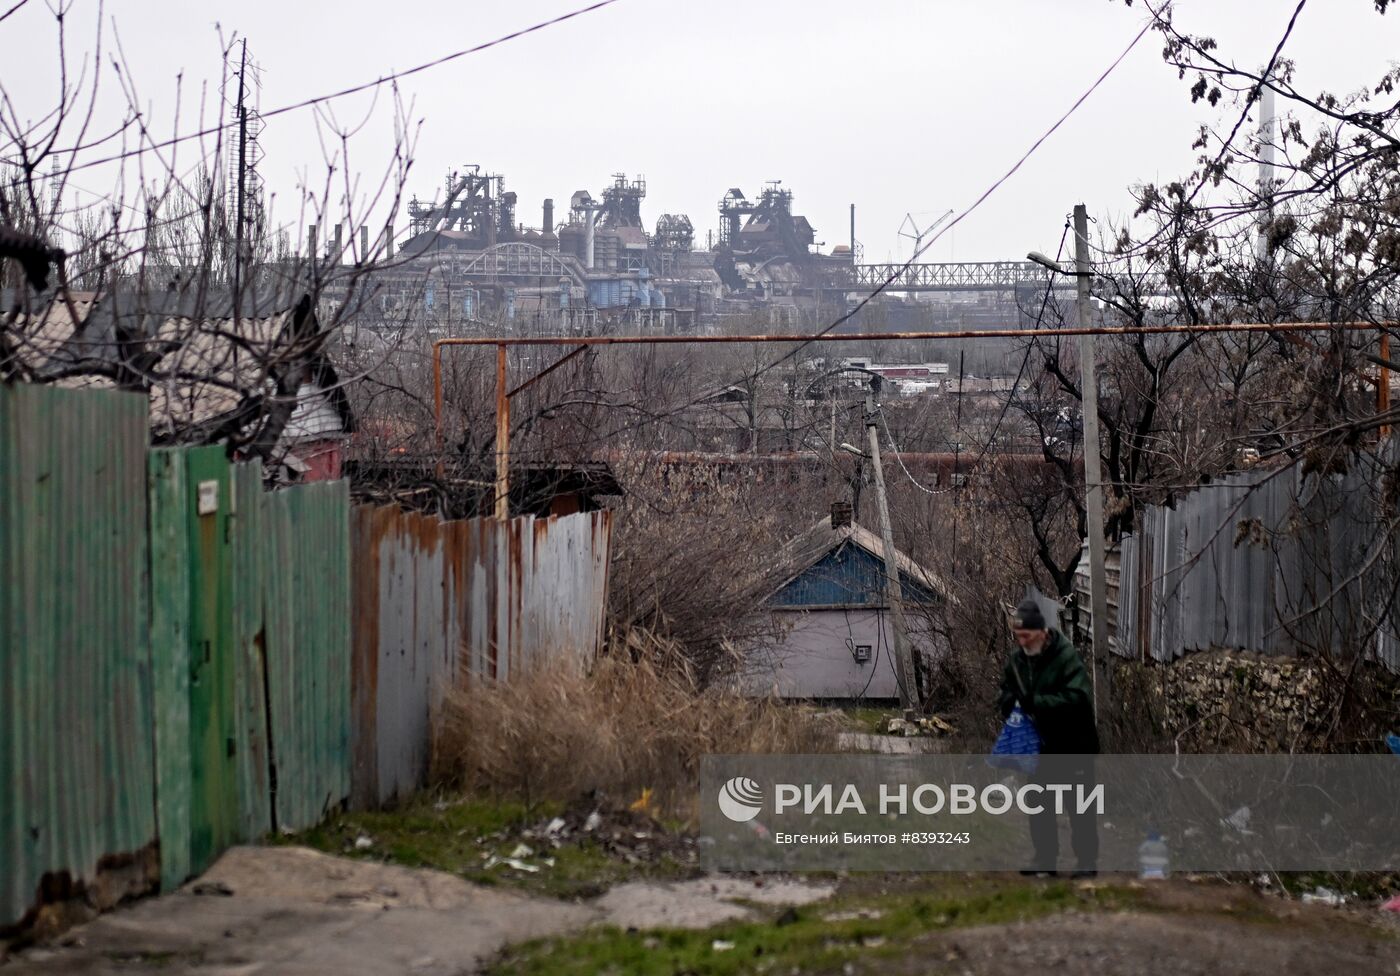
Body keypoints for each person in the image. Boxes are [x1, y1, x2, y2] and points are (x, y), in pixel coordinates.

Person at [998, 596, 1100, 878]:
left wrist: (1038, 703)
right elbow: (1005, 690)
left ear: (1042, 633)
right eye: (1018, 636)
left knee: (1079, 806)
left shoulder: (1065, 656)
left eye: (1027, 635)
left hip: (1073, 743)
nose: (1022, 642)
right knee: (1039, 805)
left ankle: (1086, 860)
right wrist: (1009, 704)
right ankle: (1045, 858)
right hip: (1039, 745)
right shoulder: (1017, 660)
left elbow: (1078, 698)